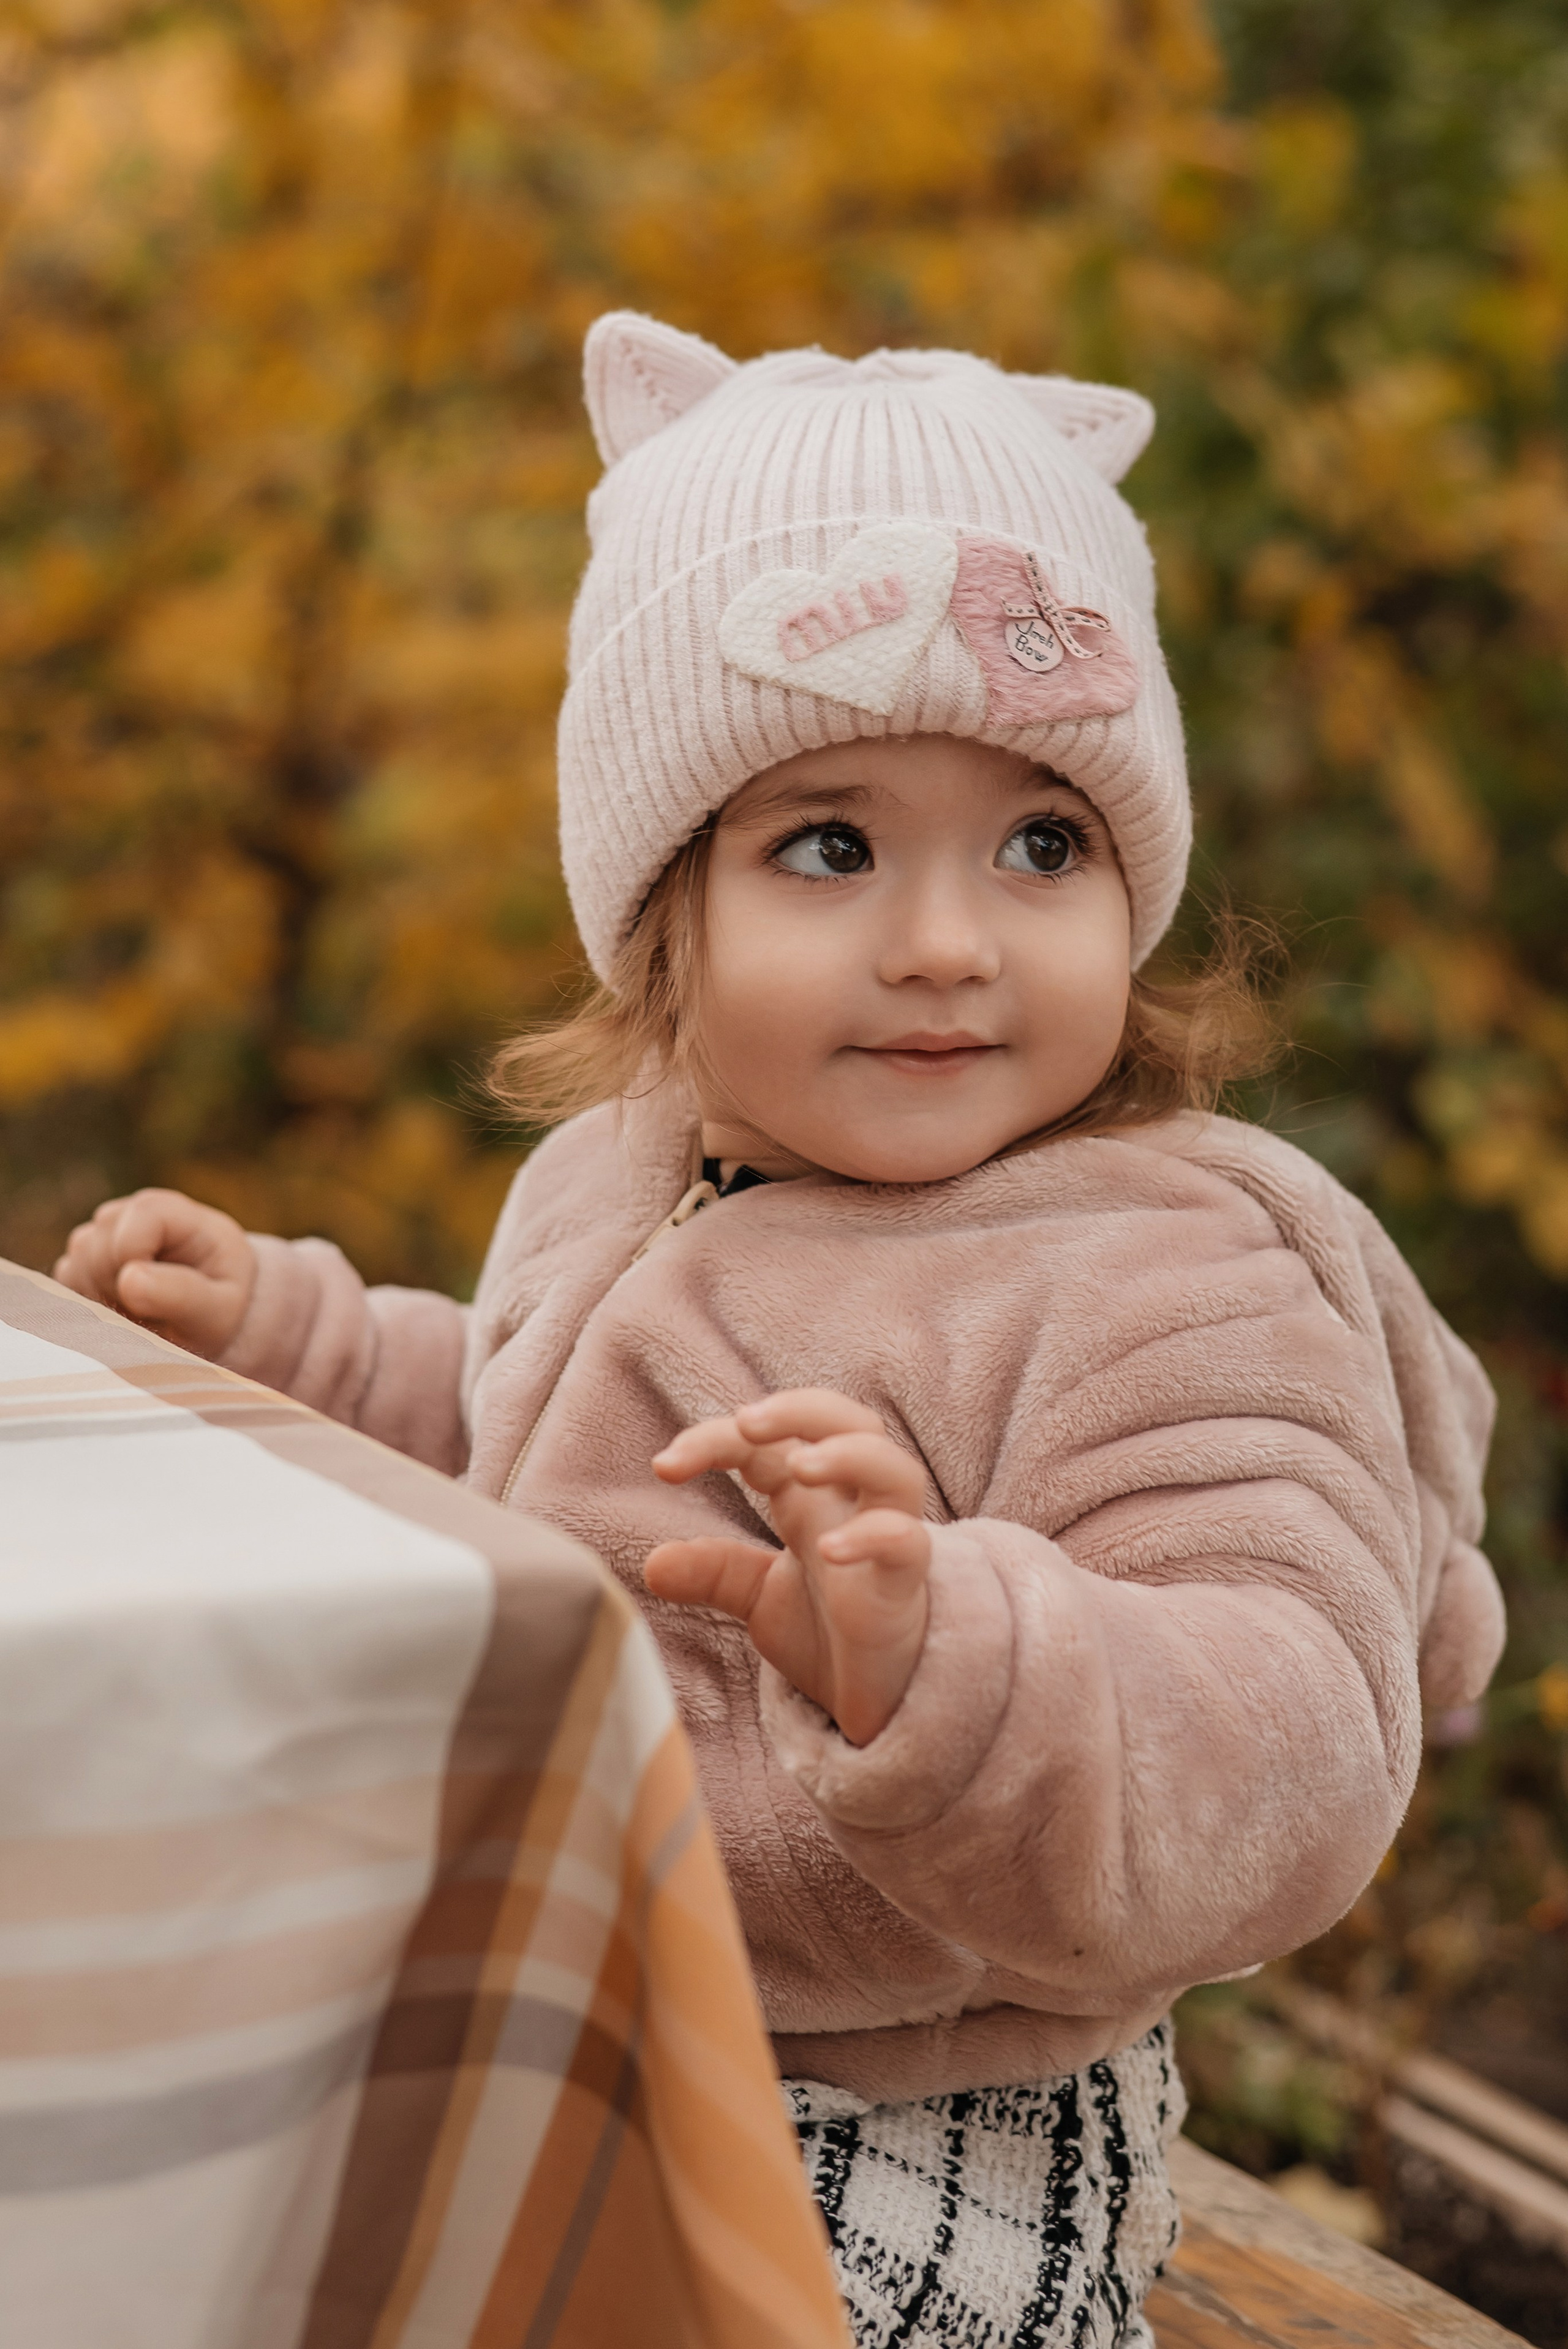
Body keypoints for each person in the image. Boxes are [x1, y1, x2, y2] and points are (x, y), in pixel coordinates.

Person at [55, 314, 1507, 2348]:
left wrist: (960, 1660)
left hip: (923, 2120)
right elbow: (517, 1420)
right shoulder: (622, 1174)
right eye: (831, 844)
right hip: (575, 1999)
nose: (943, 937)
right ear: (667, 913)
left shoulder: (1167, 1270)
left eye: (1042, 841)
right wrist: (299, 1345)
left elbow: (1292, 1730)